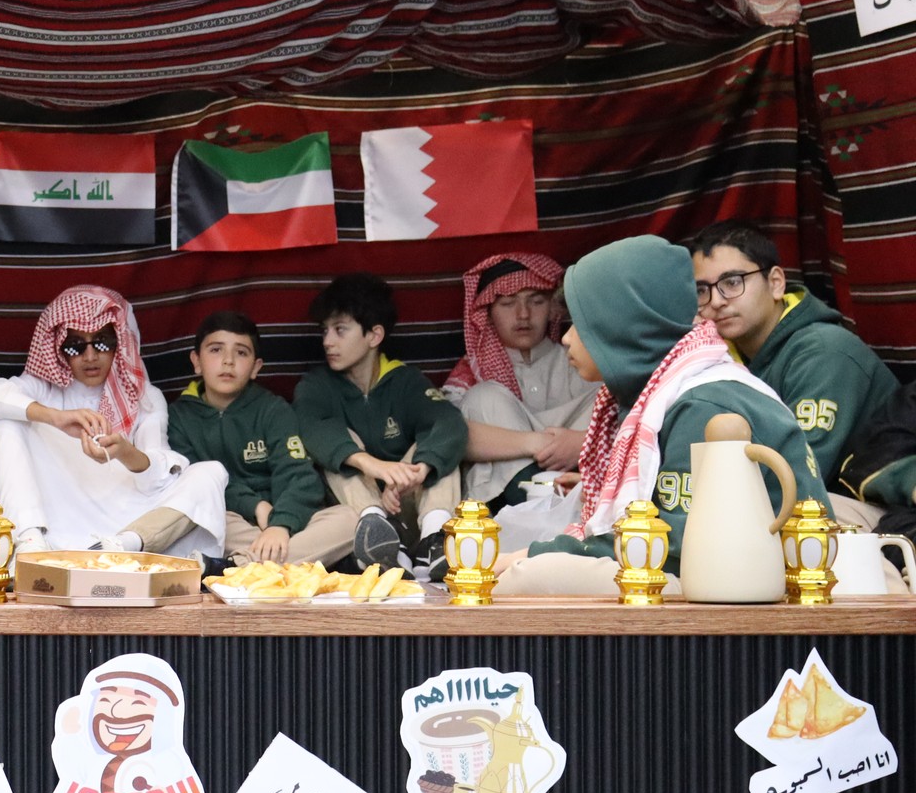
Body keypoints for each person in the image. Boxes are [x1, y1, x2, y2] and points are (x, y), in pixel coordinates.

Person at [501, 234, 828, 593]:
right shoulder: (670, 389)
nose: (566, 338)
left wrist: (532, 555)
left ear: (621, 326)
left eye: (581, 323)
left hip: (757, 591)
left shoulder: (702, 405)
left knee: (530, 576)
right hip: (722, 577)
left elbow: (676, 546)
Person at [0, 285, 227, 557]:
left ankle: (123, 547)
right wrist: (54, 417)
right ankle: (30, 543)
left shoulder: (144, 396)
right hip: (58, 515)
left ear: (120, 343)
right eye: (76, 346)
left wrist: (124, 452)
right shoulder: (44, 387)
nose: (90, 356)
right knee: (8, 419)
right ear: (59, 348)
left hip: (126, 519)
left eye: (102, 342)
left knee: (210, 474)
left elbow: (157, 479)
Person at [687, 220, 898, 527]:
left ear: (775, 283)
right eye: (702, 290)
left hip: (875, 509)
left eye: (732, 282)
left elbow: (799, 474)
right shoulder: (720, 357)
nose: (716, 301)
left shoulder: (826, 352)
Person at [294, 272, 465, 568]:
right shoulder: (315, 385)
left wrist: (418, 471)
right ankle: (376, 534)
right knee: (340, 446)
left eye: (340, 330)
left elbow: (449, 423)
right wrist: (371, 465)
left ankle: (435, 541)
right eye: (325, 331)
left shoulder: (405, 380)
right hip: (353, 516)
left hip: (404, 501)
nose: (328, 342)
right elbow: (311, 426)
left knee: (438, 448)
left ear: (374, 336)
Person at [168, 311, 354, 565]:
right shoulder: (178, 416)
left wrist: (281, 524)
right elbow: (194, 483)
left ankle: (241, 565)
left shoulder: (273, 409)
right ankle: (282, 562)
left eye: (241, 352)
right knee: (200, 518)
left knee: (350, 520)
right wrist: (256, 506)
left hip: (285, 522)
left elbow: (297, 475)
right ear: (196, 361)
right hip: (232, 521)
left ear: (256, 367)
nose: (228, 361)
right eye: (216, 350)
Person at [443, 253, 597, 506]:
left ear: (553, 309)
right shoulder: (472, 369)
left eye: (536, 301)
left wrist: (579, 443)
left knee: (607, 395)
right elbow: (448, 436)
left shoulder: (578, 358)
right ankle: (535, 501)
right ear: (488, 312)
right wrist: (537, 444)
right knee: (484, 396)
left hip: (575, 476)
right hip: (508, 497)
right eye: (507, 303)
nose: (523, 314)